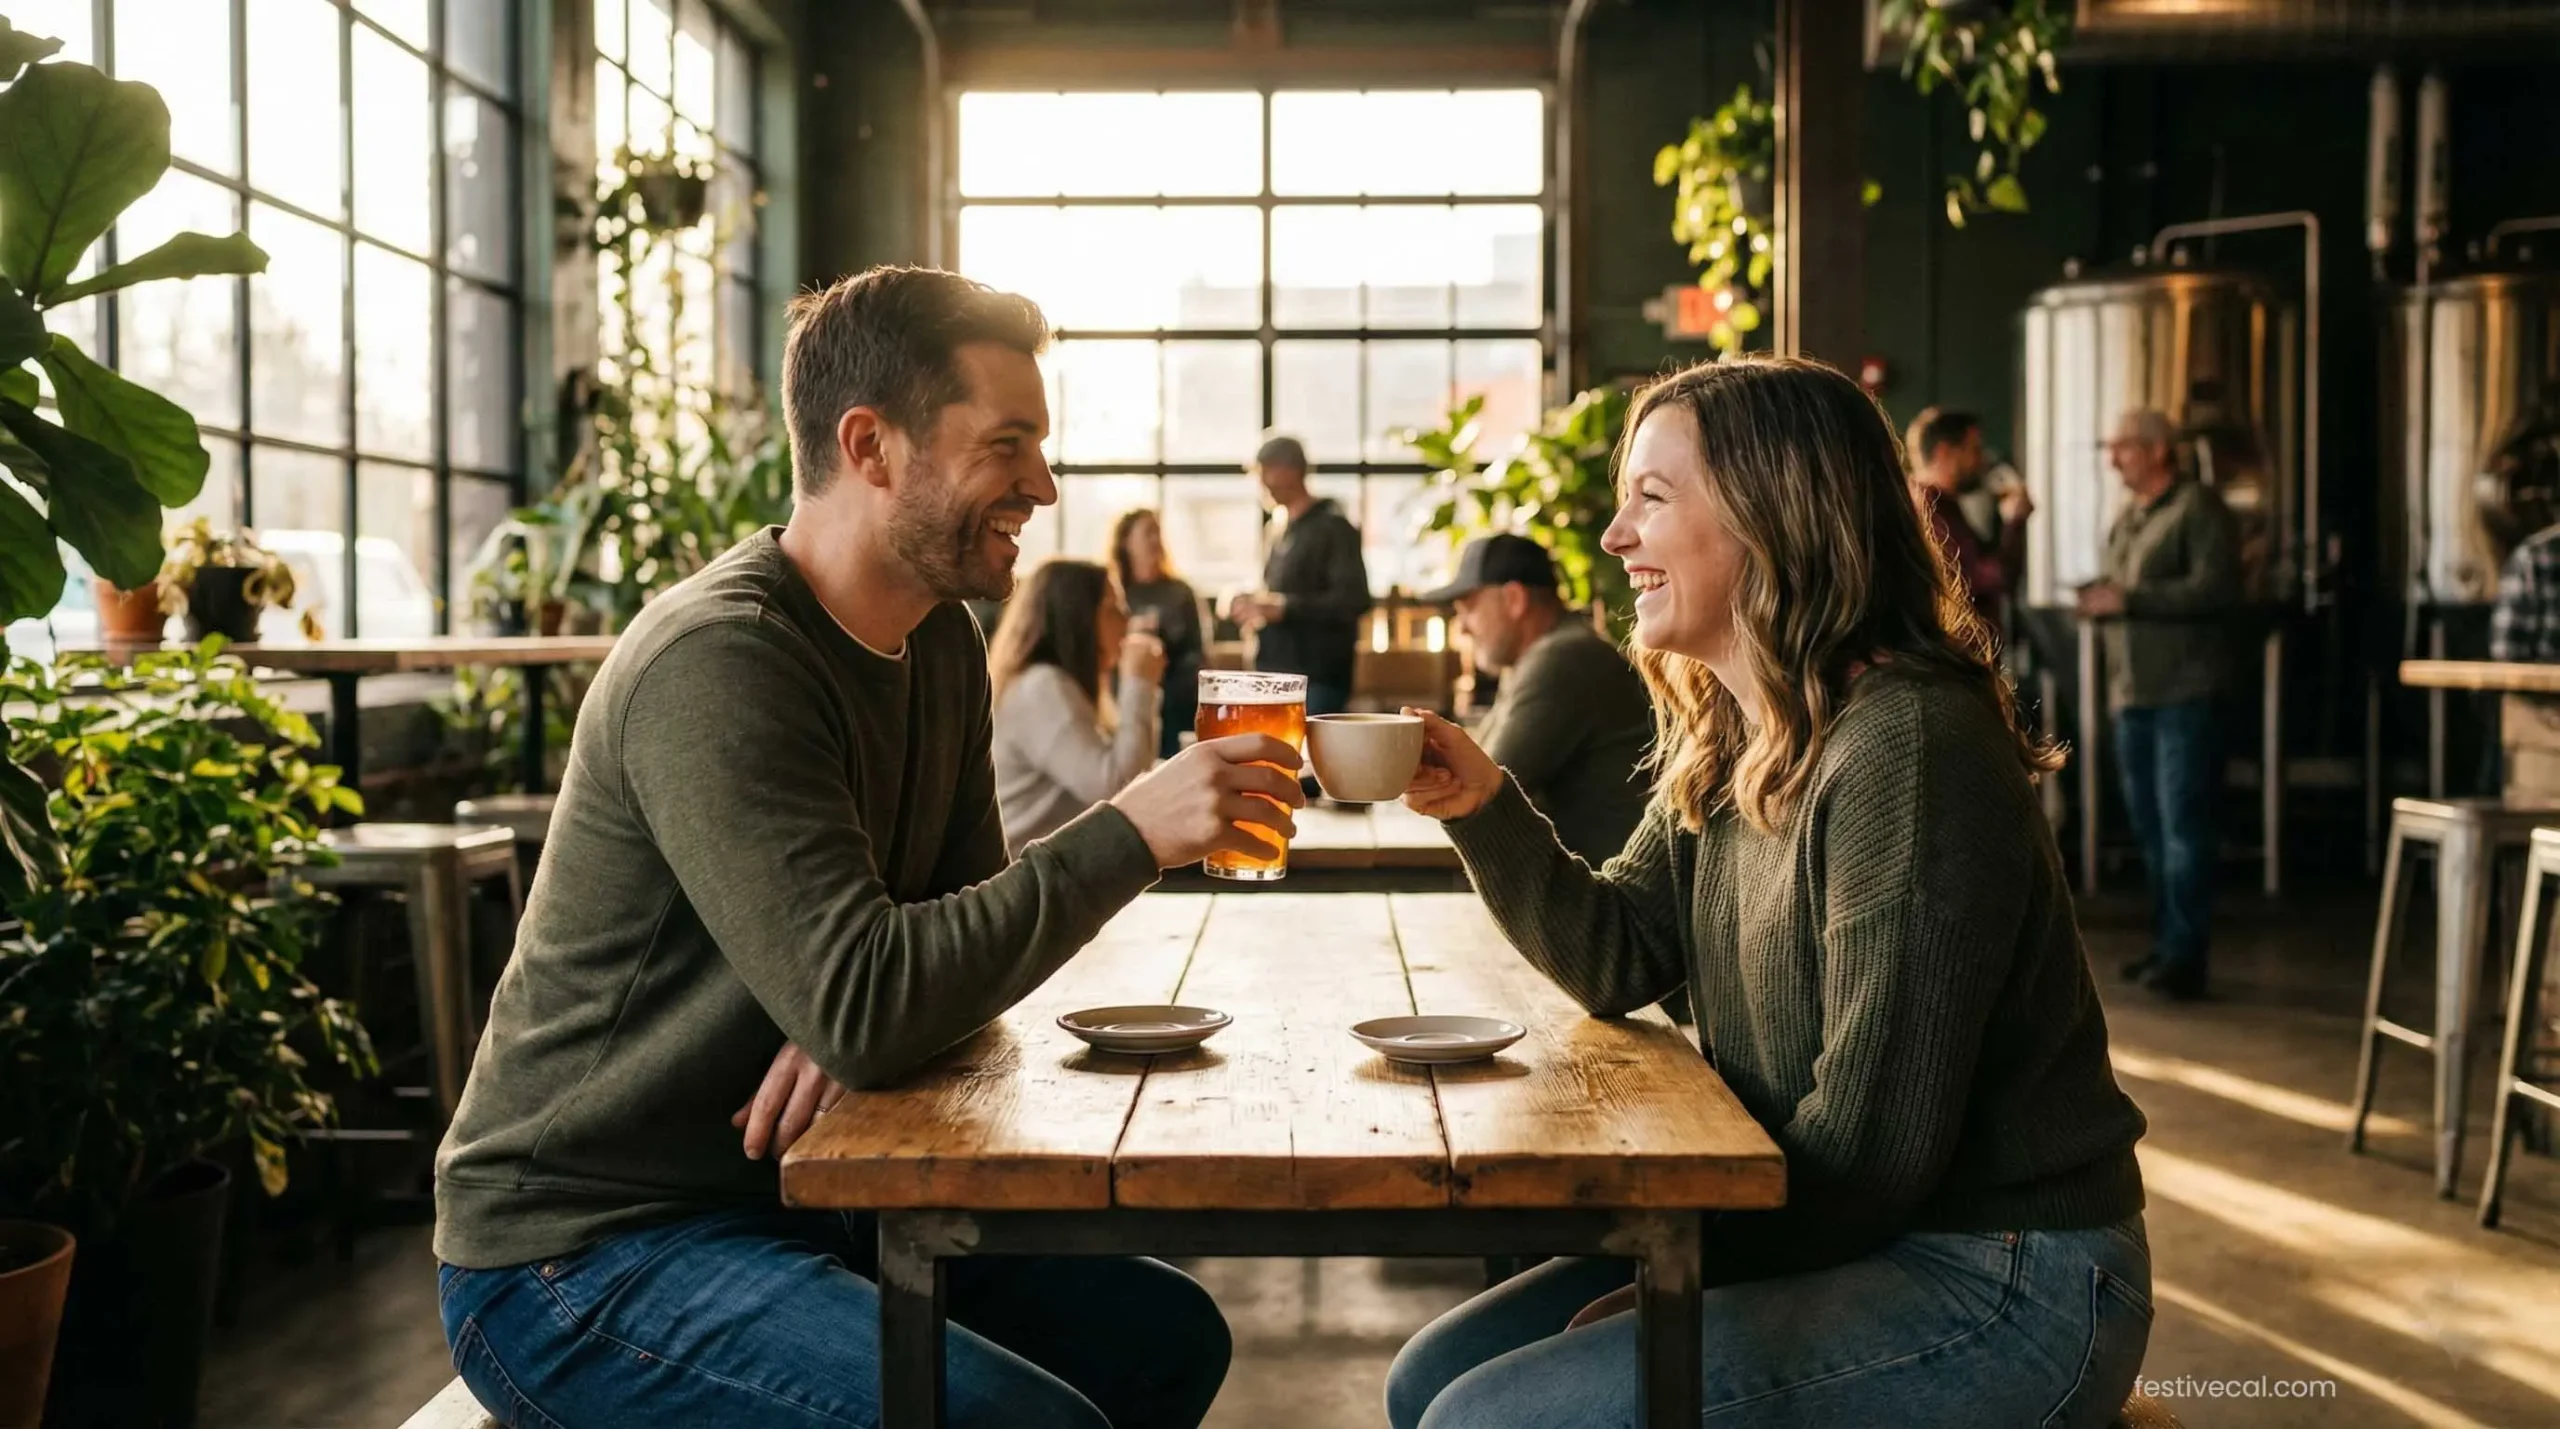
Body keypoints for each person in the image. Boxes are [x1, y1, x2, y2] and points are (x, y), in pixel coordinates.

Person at [431, 266, 1308, 1429]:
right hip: (585, 1249)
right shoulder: (721, 662)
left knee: (1162, 1337)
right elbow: (880, 992)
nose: (1041, 487)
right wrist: (1133, 832)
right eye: (1007, 446)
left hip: (806, 1197)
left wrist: (860, 1013)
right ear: (870, 445)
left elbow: (936, 961)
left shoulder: (939, 642)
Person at [1388, 356, 2151, 1429]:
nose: (1614, 539)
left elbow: (1869, 1154)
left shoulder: (1907, 745)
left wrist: (1679, 1284)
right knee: (1428, 1380)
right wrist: (1481, 803)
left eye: (1650, 499)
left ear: (1773, 515)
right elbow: (1620, 955)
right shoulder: (1741, 731)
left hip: (2007, 1275)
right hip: (1850, 1226)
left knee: (1492, 1417)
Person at [2077, 407, 2241, 1003]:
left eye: (2121, 447)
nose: (2113, 459)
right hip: (2136, 695)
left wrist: (2129, 598)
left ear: (2156, 451)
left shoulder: (2198, 509)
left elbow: (2216, 588)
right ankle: (2167, 941)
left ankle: (2186, 954)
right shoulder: (2130, 518)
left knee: (2185, 830)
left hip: (2186, 695)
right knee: (2151, 828)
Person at [1421, 532, 1651, 865]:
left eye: (1468, 609)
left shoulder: (1565, 658)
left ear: (1515, 599)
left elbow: (1478, 786)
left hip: (1611, 897)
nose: (1463, 629)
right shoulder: (1540, 656)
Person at [989, 558, 1166, 855]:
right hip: (1024, 881)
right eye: (1113, 610)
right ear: (1078, 618)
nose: (1127, 620)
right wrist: (1139, 684)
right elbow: (1120, 791)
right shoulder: (1041, 688)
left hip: (1055, 871)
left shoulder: (1063, 684)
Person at [1227, 434, 1370, 717]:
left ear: (1289, 470)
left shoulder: (1333, 528)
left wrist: (1283, 608)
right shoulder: (1278, 530)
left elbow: (1352, 600)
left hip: (1317, 679)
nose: (1261, 483)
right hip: (1275, 678)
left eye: (1265, 471)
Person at [1907, 408, 2033, 632]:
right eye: (1974, 449)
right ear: (1945, 452)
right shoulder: (1929, 510)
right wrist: (2015, 522)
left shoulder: (1945, 505)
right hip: (1951, 656)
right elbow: (1990, 579)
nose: (1981, 460)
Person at [1109, 508, 1210, 758]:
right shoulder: (1111, 592)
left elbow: (1197, 653)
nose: (1156, 540)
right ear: (1125, 541)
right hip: (1121, 693)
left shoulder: (1181, 592)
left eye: (1158, 532)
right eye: (1147, 533)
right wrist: (1129, 633)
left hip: (1175, 697)